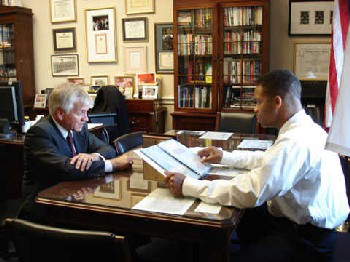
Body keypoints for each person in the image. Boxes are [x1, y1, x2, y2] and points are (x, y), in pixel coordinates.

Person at [165, 70, 350, 261]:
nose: (255, 109)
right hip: (303, 225)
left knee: (239, 220)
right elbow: (267, 159)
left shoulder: (295, 141)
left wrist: (187, 186)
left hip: (308, 240)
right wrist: (224, 157)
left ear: (277, 102)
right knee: (245, 220)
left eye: (258, 102)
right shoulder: (303, 128)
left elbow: (251, 191)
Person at [18, 83, 133, 222]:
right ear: (61, 113)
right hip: (45, 205)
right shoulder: (40, 133)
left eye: (86, 112)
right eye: (80, 113)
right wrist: (112, 165)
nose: (86, 119)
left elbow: (107, 148)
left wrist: (93, 156)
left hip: (73, 197)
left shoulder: (79, 128)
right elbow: (67, 169)